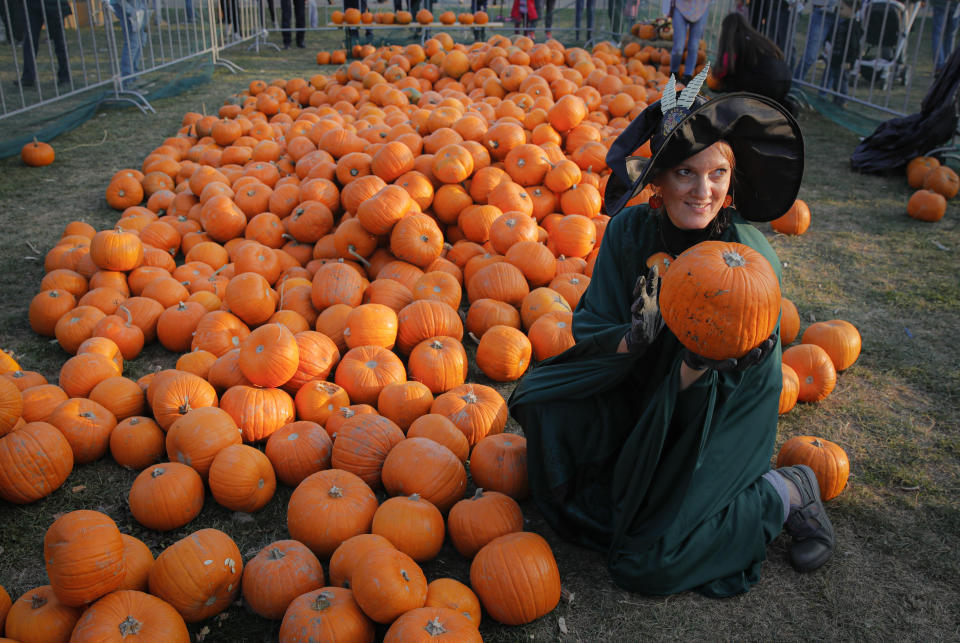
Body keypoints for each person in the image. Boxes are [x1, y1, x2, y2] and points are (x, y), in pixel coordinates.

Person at [508, 70, 837, 597]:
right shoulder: (627, 233)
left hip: (715, 410)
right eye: (685, 172)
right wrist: (636, 337)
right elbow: (593, 328)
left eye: (717, 174)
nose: (702, 191)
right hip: (636, 384)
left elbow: (738, 385)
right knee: (551, 411)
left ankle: (784, 491)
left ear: (732, 181)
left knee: (648, 561)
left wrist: (694, 360)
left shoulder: (748, 260)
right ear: (657, 180)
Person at [714, 12, 793, 108]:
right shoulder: (757, 38)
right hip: (786, 80)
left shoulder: (736, 40)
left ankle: (733, 105)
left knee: (731, 78)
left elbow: (725, 66)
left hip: (766, 82)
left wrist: (716, 76)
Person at [20, 0, 72, 87]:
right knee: (30, 41)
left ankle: (64, 76)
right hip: (34, 5)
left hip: (53, 5)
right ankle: (28, 77)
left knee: (59, 42)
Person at [793, 0, 837, 82]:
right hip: (822, 11)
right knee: (810, 56)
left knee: (835, 59)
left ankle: (823, 94)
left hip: (843, 14)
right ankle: (795, 85)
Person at [109, 0, 148, 87]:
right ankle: (127, 79)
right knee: (133, 43)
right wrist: (131, 11)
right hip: (126, 6)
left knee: (141, 41)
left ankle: (134, 75)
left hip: (137, 5)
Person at [671, 0, 712, 82]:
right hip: (681, 6)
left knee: (694, 46)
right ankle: (673, 73)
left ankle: (687, 76)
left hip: (700, 8)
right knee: (678, 47)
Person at [930, 0, 960, 75]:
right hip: (956, 4)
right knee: (950, 35)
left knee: (937, 34)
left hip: (940, 2)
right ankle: (947, 64)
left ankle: (939, 64)